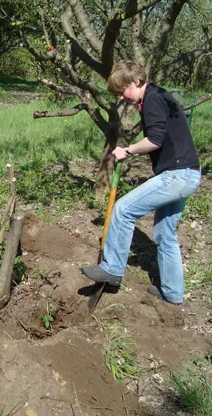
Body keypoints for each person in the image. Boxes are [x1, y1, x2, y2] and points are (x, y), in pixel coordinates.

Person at [81, 60, 201, 305]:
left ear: (136, 81)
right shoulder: (157, 96)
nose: (123, 97)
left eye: (123, 90)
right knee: (165, 234)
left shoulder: (153, 99)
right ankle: (173, 293)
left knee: (124, 210)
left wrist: (128, 150)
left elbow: (155, 139)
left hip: (177, 176)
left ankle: (112, 268)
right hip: (189, 173)